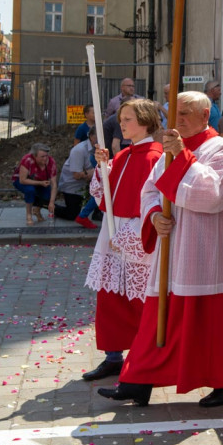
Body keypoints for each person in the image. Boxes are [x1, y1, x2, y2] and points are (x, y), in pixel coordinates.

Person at [97, 91, 223, 408]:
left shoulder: (219, 148)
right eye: (174, 113)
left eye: (186, 113)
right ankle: (138, 380)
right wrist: (155, 216)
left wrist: (183, 157)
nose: (178, 120)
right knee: (160, 320)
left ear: (205, 115)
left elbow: (210, 195)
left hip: (212, 255)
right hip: (175, 251)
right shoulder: (173, 147)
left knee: (216, 323)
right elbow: (150, 189)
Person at [82, 99, 164, 383]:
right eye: (122, 119)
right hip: (113, 233)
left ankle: (145, 359)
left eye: (128, 119)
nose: (122, 124)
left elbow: (156, 203)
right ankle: (113, 357)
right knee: (111, 296)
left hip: (139, 237)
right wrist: (103, 166)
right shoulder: (125, 154)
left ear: (144, 121)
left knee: (141, 299)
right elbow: (100, 193)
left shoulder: (156, 157)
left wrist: (128, 235)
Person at [54, 128, 97, 222]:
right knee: (72, 214)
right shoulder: (79, 150)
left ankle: (96, 213)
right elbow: (76, 175)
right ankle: (49, 206)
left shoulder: (97, 148)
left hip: (84, 184)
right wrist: (92, 172)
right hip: (71, 185)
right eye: (96, 136)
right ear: (90, 136)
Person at [12, 143, 58, 226]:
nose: (45, 159)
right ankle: (29, 215)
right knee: (30, 190)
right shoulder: (27, 160)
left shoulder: (51, 162)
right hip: (21, 180)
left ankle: (37, 210)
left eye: (46, 156)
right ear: (34, 156)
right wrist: (40, 183)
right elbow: (22, 180)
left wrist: (51, 202)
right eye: (42, 157)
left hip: (40, 181)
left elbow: (54, 184)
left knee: (49, 194)